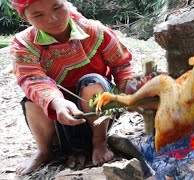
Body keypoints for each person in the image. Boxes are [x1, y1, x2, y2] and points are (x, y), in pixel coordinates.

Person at [9, 0, 137, 175]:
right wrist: (56, 102)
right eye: (38, 15)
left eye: (57, 7)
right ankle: (44, 150)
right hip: (58, 116)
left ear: (66, 3)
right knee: (32, 99)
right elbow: (32, 79)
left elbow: (122, 65)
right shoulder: (24, 44)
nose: (53, 18)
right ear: (24, 16)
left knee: (92, 82)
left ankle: (99, 142)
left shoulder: (95, 31)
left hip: (98, 112)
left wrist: (130, 88)